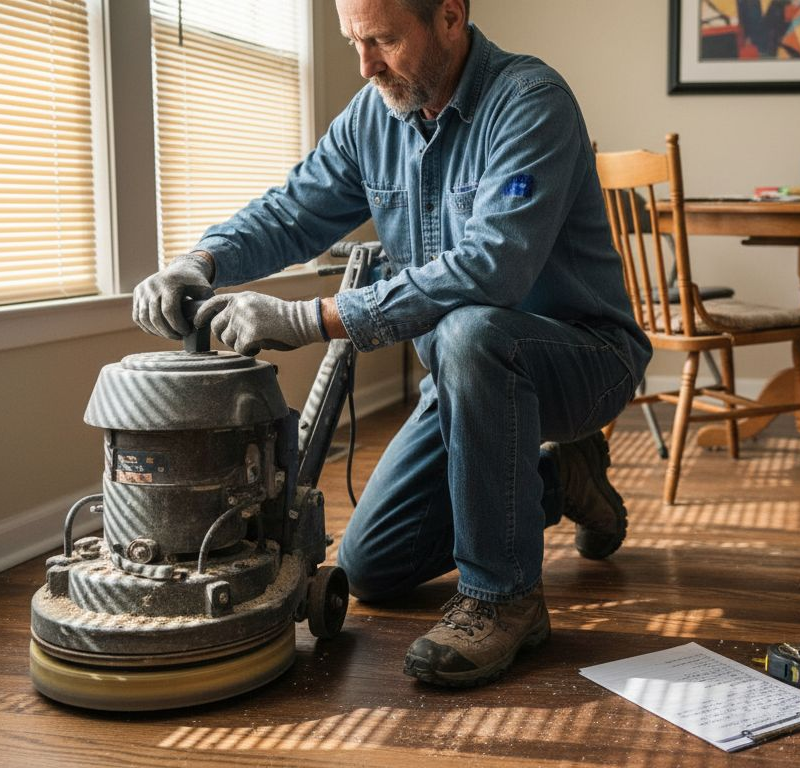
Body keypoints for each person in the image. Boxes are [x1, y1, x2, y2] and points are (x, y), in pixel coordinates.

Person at [131, 0, 651, 688]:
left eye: (382, 40)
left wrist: (312, 319)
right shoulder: (373, 117)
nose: (365, 65)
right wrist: (200, 260)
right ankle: (563, 479)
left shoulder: (531, 102)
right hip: (464, 377)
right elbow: (292, 211)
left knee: (470, 330)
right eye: (354, 41)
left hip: (584, 358)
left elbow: (493, 267)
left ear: (450, 16)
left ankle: (504, 599)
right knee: (373, 567)